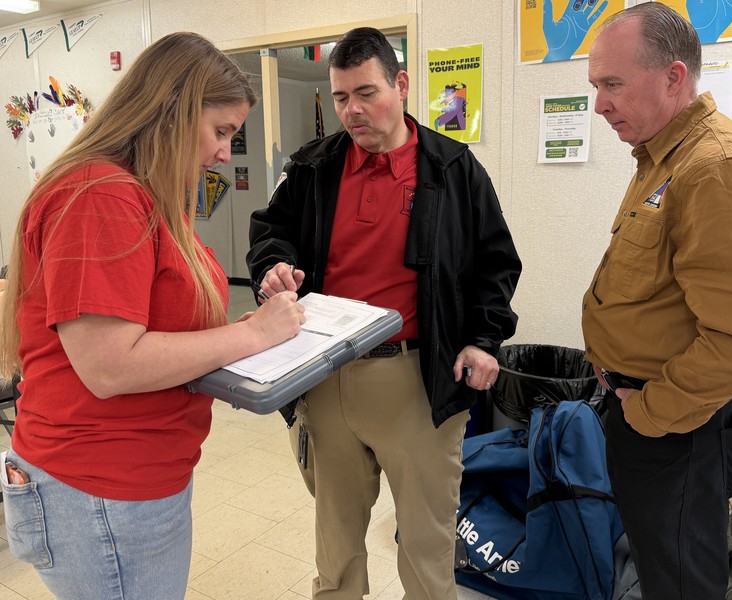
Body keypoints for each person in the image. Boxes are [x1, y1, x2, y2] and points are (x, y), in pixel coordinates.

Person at [0, 32, 306, 600]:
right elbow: (109, 366)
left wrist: (254, 316)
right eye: (221, 132)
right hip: (99, 486)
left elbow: (166, 318)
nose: (223, 152)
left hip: (137, 478)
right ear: (173, 111)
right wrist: (251, 334)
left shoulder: (146, 194)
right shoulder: (101, 195)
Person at [247, 27, 521, 600]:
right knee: (336, 541)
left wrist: (483, 339)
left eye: (366, 93)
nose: (352, 111)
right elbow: (271, 231)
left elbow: (496, 262)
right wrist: (274, 263)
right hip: (325, 375)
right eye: (341, 97)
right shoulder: (313, 169)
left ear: (400, 85)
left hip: (418, 380)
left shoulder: (452, 169)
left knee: (426, 546)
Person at [583, 3, 732, 599]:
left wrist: (648, 414)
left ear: (673, 77)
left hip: (677, 427)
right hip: (649, 415)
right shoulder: (663, 157)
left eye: (612, 84)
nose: (599, 103)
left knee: (681, 581)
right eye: (596, 86)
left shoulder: (718, 168)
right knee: (660, 568)